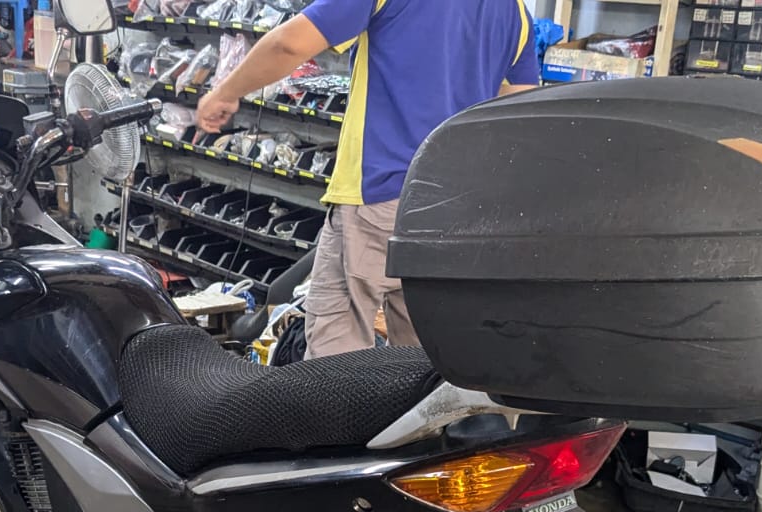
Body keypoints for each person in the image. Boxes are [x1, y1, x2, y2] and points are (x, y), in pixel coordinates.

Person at [196, 0, 540, 359]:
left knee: (338, 346)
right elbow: (516, 113)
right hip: (456, 209)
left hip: (379, 194)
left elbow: (289, 44)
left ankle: (344, 400)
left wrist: (225, 92)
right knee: (422, 352)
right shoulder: (514, 10)